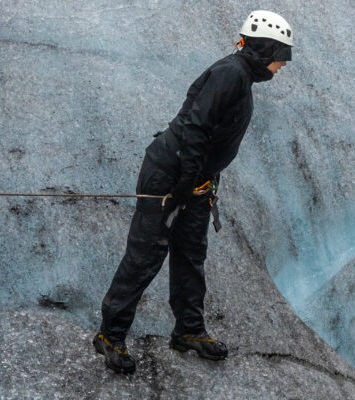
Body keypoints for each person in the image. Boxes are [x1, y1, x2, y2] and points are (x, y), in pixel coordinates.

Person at [92, 10, 293, 374]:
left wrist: (202, 181)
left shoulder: (241, 77)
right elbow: (195, 127)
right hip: (170, 177)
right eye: (280, 56)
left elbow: (211, 135)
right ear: (265, 49)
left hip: (195, 181)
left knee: (190, 255)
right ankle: (110, 335)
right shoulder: (230, 74)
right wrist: (184, 181)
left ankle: (188, 330)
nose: (281, 66)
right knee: (145, 256)